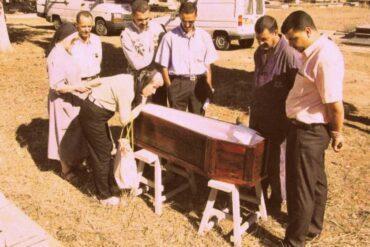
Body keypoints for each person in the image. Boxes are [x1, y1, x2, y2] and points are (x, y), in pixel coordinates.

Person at [279, 11, 345, 246]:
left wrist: (337, 133)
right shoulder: (312, 52)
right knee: (315, 182)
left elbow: (335, 105)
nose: (292, 45)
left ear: (308, 31)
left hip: (309, 131)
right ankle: (312, 227)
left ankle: (294, 241)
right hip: (308, 129)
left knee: (301, 188)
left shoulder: (324, 57)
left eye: (294, 39)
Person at [79, 69, 164, 206]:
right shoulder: (128, 90)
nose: (154, 92)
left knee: (107, 149)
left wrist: (87, 85)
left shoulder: (128, 78)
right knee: (102, 154)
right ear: (146, 82)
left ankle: (110, 186)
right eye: (154, 87)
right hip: (93, 114)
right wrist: (142, 106)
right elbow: (124, 120)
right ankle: (103, 196)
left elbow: (102, 80)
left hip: (95, 111)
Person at [250, 15, 301, 213]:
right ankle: (258, 192)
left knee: (278, 159)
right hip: (259, 114)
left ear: (276, 32)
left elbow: (296, 90)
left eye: (264, 39)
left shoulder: (289, 54)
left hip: (279, 118)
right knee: (259, 155)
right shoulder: (259, 52)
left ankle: (277, 199)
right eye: (258, 39)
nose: (261, 43)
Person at [47, 23, 93, 182]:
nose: (75, 43)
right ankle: (65, 170)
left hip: (72, 97)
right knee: (63, 133)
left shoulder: (66, 52)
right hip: (61, 101)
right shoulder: (55, 55)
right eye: (73, 40)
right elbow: (57, 86)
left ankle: (74, 161)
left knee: (74, 131)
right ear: (64, 37)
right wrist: (77, 87)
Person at [155, 1, 218, 115]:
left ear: (196, 16)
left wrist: (208, 86)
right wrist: (170, 88)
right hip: (178, 85)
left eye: (191, 21)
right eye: (184, 21)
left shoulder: (204, 36)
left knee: (198, 123)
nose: (187, 25)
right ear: (179, 16)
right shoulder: (169, 37)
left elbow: (207, 65)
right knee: (178, 124)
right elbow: (163, 66)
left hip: (199, 84)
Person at [121, 0, 166, 106]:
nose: (144, 22)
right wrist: (153, 51)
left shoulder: (157, 27)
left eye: (147, 18)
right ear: (133, 16)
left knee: (160, 111)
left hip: (159, 80)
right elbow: (136, 64)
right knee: (141, 112)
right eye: (140, 20)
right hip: (140, 81)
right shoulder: (127, 34)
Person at [71, 11, 102, 81]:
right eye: (83, 26)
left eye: (89, 26)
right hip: (78, 82)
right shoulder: (72, 42)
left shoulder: (96, 40)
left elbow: (98, 60)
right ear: (77, 25)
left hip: (95, 80)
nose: (87, 30)